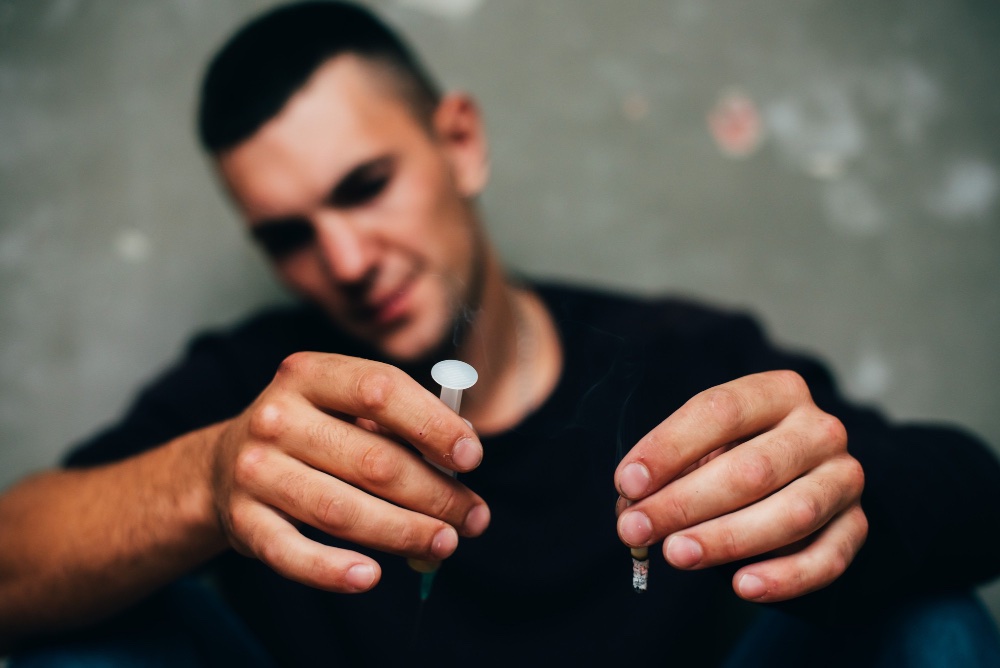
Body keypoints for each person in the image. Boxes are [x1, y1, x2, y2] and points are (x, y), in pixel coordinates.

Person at [1, 2, 999, 665]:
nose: (344, 259)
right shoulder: (257, 398)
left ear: (460, 143)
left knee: (930, 618)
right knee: (83, 635)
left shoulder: (680, 359)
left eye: (366, 186)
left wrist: (849, 496)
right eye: (287, 236)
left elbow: (976, 497)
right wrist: (207, 479)